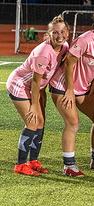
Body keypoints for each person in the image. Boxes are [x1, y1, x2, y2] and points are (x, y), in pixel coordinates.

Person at [49, 8, 94, 177]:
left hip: (83, 89)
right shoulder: (86, 39)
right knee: (73, 123)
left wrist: (92, 88)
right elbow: (69, 62)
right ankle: (68, 165)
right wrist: (69, 90)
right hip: (63, 87)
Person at [7, 15, 69, 176]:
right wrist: (35, 105)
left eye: (62, 31)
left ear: (67, 33)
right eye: (55, 32)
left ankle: (33, 161)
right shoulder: (43, 52)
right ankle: (20, 165)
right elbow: (35, 81)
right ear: (49, 34)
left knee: (40, 122)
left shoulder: (64, 47)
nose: (59, 35)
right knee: (32, 122)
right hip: (19, 85)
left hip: (35, 88)